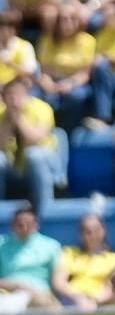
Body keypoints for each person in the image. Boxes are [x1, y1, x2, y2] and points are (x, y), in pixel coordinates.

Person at [0, 77, 61, 214]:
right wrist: (9, 120)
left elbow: (33, 140)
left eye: (18, 94)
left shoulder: (43, 109)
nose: (14, 99)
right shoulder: (2, 113)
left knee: (34, 155)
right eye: (9, 95)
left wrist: (18, 118)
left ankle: (45, 208)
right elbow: (1, 145)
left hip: (45, 164)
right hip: (15, 167)